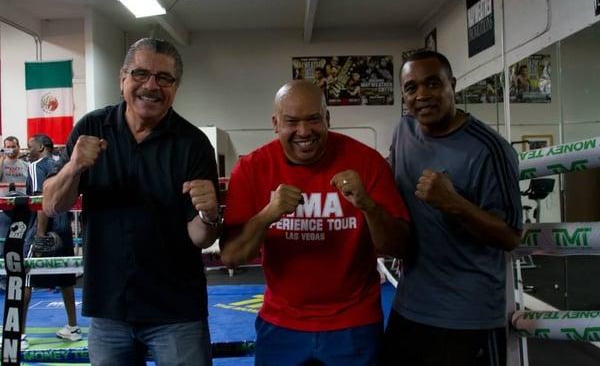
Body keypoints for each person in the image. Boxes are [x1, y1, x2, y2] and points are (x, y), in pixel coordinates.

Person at [42, 37, 221, 365]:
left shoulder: (193, 145)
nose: (151, 85)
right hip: (110, 311)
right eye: (140, 74)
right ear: (122, 78)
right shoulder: (92, 127)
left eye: (163, 78)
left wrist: (210, 215)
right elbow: (53, 205)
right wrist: (73, 167)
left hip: (176, 312)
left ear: (175, 87)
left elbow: (200, 237)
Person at [221, 80, 411, 366]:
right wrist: (267, 215)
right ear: (275, 123)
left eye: (313, 119)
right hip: (281, 324)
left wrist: (368, 205)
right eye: (291, 122)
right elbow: (231, 257)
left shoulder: (367, 163)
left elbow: (400, 246)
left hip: (354, 323)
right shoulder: (252, 169)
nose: (304, 131)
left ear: (327, 119)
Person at [382, 50, 522, 366]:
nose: (422, 95)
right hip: (409, 307)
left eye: (433, 83)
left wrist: (454, 203)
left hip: (466, 316)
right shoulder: (403, 131)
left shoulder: (489, 149)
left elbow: (511, 236)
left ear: (452, 85)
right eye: (411, 87)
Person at [22, 134, 80, 350]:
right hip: (63, 230)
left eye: (31, 146)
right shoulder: (60, 164)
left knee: (24, 277)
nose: (28, 150)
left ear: (43, 147)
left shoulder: (37, 165)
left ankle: (19, 335)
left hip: (44, 228)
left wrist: (39, 236)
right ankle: (73, 328)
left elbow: (40, 200)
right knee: (66, 279)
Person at [0, 136, 28, 290]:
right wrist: (1, 157)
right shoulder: (1, 163)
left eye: (13, 146)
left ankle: (23, 276)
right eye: (7, 146)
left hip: (23, 208)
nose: (10, 149)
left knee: (22, 242)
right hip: (4, 208)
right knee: (3, 243)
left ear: (18, 147)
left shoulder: (25, 164)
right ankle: (3, 279)